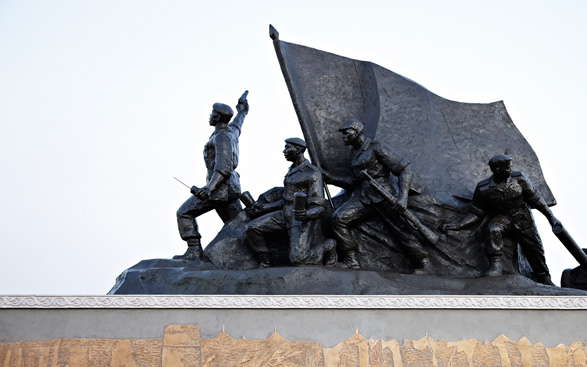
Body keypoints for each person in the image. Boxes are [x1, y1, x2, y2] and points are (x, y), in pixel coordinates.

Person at [330, 118, 432, 273]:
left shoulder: (377, 147)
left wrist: (403, 197)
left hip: (384, 195)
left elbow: (405, 169)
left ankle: (424, 262)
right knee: (338, 219)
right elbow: (354, 181)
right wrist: (330, 179)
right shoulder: (354, 154)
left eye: (346, 133)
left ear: (357, 132)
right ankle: (351, 260)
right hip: (364, 197)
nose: (343, 136)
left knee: (401, 229)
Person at [443, 154, 557, 285]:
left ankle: (543, 277)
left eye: (509, 167)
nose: (510, 170)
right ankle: (495, 265)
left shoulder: (519, 179)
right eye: (506, 168)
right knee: (493, 228)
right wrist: (459, 225)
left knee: (535, 250)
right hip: (503, 219)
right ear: (497, 170)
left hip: (523, 220)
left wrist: (551, 217)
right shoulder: (483, 188)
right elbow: (477, 213)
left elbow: (536, 199)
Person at [174, 91, 249, 261]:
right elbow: (238, 124)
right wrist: (242, 111)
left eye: (212, 114)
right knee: (237, 225)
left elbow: (223, 167)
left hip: (220, 189)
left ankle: (194, 251)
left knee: (184, 213)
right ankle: (253, 254)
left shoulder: (222, 136)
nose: (209, 116)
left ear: (217, 117)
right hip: (231, 188)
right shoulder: (231, 131)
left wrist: (208, 189)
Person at [245, 138, 337, 267]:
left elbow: (320, 206)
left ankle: (328, 246)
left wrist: (305, 215)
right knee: (251, 228)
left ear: (298, 150)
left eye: (288, 148)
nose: (284, 151)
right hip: (285, 213)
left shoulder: (312, 173)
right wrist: (264, 208)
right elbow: (286, 199)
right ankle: (265, 262)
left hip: (301, 218)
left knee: (299, 260)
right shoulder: (291, 170)